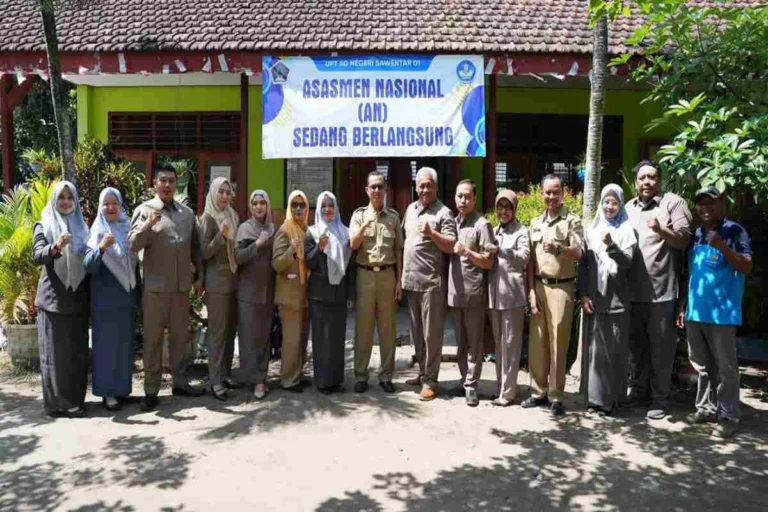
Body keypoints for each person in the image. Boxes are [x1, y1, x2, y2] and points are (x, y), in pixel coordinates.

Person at [129, 165, 205, 411]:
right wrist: (148, 225)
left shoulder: (186, 214)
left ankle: (180, 382)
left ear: (176, 183)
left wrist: (199, 276)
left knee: (180, 340)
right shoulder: (144, 211)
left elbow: (195, 248)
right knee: (152, 341)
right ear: (154, 183)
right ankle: (151, 389)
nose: (167, 185)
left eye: (172, 181)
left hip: (181, 289)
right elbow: (133, 244)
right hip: (155, 290)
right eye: (163, 180)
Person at [678, 186, 752, 438]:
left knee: (725, 368)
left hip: (722, 313)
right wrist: (683, 306)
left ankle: (728, 416)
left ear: (721, 204)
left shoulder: (734, 231)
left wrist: (722, 246)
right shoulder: (697, 233)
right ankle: (705, 408)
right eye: (701, 203)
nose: (705, 208)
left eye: (711, 203)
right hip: (696, 311)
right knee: (701, 365)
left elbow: (745, 266)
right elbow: (692, 273)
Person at [626, 160, 692, 420]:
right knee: (637, 347)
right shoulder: (628, 208)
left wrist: (661, 229)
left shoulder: (673, 204)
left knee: (661, 350)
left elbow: (685, 239)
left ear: (659, 180)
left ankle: (660, 399)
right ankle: (639, 391)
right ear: (635, 182)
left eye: (651, 177)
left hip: (662, 291)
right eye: (642, 178)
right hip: (632, 292)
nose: (646, 182)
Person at [524, 174, 584, 416]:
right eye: (547, 192)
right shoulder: (535, 221)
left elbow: (579, 253)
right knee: (537, 342)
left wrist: (559, 248)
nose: (551, 196)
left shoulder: (572, 221)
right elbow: (529, 261)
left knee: (559, 341)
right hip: (538, 285)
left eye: (555, 192)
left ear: (563, 193)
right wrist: (529, 291)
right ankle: (537, 392)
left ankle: (556, 395)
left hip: (562, 287)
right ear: (541, 193)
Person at [33, 181, 90, 418]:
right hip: (53, 299)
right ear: (54, 200)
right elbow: (37, 255)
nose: (66, 202)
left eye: (70, 198)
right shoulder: (43, 224)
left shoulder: (83, 226)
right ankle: (57, 404)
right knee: (54, 355)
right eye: (61, 198)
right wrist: (55, 246)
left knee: (76, 353)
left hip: (77, 299)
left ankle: (75, 401)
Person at [579, 184, 637, 416]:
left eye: (614, 202)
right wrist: (583, 294)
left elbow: (627, 262)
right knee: (595, 353)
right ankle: (594, 400)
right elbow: (583, 266)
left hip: (617, 300)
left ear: (621, 204)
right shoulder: (591, 230)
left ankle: (611, 401)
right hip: (595, 299)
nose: (609, 206)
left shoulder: (626, 230)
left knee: (615, 350)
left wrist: (611, 245)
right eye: (606, 202)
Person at [402, 167, 458, 401]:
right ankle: (423, 372)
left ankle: (431, 381)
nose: (425, 189)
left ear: (436, 187)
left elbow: (452, 245)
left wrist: (433, 233)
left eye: (429, 185)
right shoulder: (410, 209)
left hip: (432, 283)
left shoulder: (443, 213)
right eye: (421, 185)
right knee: (416, 333)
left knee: (431, 335)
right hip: (411, 281)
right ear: (416, 186)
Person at [83, 188, 139, 412]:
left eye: (114, 203)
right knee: (105, 349)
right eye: (106, 203)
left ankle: (122, 390)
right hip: (104, 303)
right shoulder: (96, 231)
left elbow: (136, 266)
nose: (110, 207)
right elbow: (88, 266)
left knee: (124, 348)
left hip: (125, 301)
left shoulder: (127, 228)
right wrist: (102, 247)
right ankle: (107, 394)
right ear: (100, 206)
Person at [349, 171, 403, 394]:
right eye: (373, 187)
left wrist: (399, 280)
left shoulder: (393, 217)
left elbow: (398, 249)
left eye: (380, 186)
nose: (377, 191)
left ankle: (386, 375)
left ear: (385, 188)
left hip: (388, 275)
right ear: (367, 190)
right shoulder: (359, 215)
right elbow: (353, 244)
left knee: (388, 328)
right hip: (365, 274)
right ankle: (361, 375)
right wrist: (365, 226)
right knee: (364, 327)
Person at [448, 180, 494, 406]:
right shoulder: (452, 223)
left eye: (467, 196)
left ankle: (472, 385)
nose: (463, 200)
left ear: (474, 199)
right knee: (460, 342)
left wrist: (467, 252)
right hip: (454, 293)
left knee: (475, 343)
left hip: (474, 293)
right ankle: (464, 379)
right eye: (459, 196)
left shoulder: (482, 225)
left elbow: (488, 263)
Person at [305, 191, 354, 394]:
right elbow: (308, 261)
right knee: (321, 339)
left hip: (339, 293)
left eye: (331, 205)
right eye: (324, 206)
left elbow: (350, 266)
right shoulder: (312, 232)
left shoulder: (345, 232)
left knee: (336, 338)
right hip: (319, 294)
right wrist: (319, 247)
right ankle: (323, 382)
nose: (327, 209)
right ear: (319, 209)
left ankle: (336, 380)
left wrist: (351, 293)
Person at [486, 189, 529, 407]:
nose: (503, 211)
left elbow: (523, 258)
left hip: (512, 297)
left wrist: (501, 250)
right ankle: (500, 388)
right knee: (499, 346)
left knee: (511, 345)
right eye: (500, 207)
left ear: (514, 209)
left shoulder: (521, 231)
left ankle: (509, 393)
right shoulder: (493, 231)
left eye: (508, 207)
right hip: (494, 296)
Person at [199, 177, 241, 400]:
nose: (225, 196)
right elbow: (204, 252)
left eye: (228, 192)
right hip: (216, 285)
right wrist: (220, 235)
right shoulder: (208, 217)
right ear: (213, 193)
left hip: (234, 282)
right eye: (221, 192)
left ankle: (224, 374)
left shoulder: (233, 216)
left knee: (229, 332)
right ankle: (215, 381)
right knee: (217, 333)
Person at [235, 189, 276, 400]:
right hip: (248, 292)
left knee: (263, 338)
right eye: (255, 203)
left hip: (267, 292)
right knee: (249, 338)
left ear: (267, 205)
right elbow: (238, 258)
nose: (259, 206)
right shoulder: (245, 229)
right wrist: (258, 245)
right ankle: (254, 379)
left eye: (262, 202)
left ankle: (261, 378)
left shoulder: (273, 228)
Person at [272, 190, 311, 392]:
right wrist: (290, 251)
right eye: (294, 205)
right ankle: (288, 380)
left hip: (303, 295)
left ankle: (297, 373)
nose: (298, 208)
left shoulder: (305, 230)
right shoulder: (285, 230)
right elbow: (277, 263)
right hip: (288, 296)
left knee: (302, 339)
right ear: (289, 207)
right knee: (292, 340)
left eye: (302, 205)